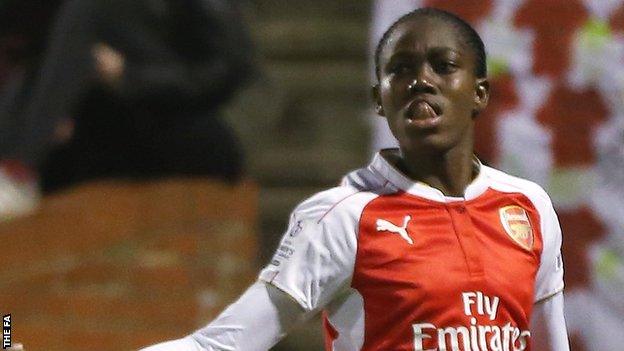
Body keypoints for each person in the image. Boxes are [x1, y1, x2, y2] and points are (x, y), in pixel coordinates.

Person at [141, 8, 569, 351]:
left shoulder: (528, 206)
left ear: (479, 93)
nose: (422, 81)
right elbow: (224, 344)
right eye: (401, 69)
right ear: (379, 101)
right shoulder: (343, 217)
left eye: (444, 66)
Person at [1, 0, 255, 194]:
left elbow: (228, 70)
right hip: (110, 125)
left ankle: (20, 167)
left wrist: (130, 76)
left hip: (188, 125)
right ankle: (18, 165)